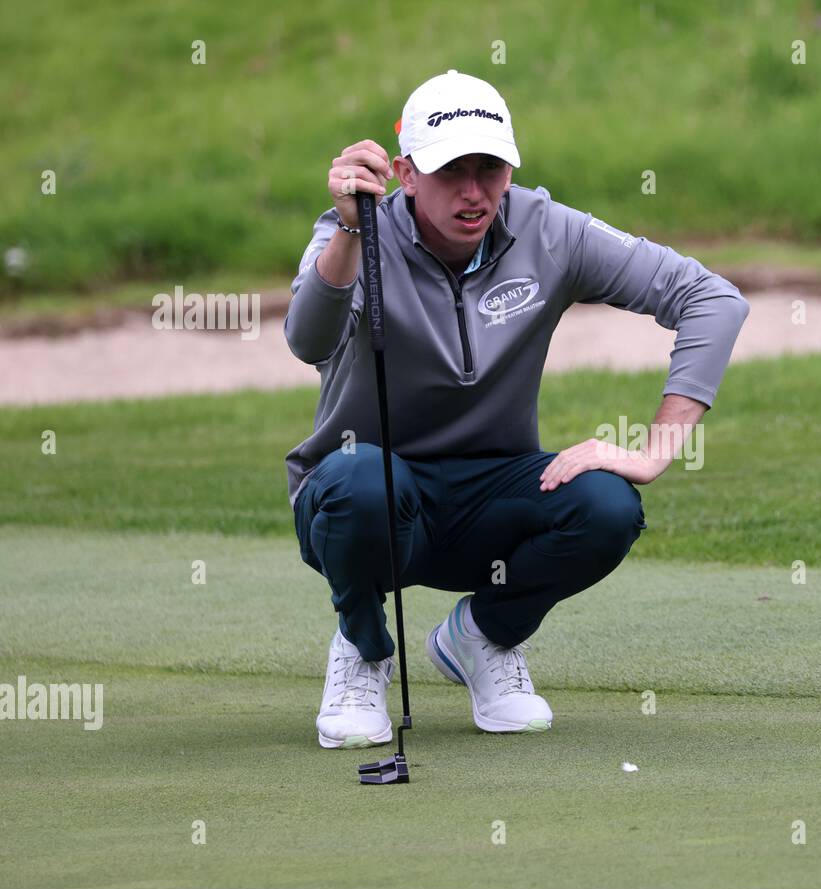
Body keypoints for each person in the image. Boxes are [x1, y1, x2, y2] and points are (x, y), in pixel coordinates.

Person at [284, 69, 749, 748]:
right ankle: (364, 649)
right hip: (364, 499)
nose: (475, 192)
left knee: (606, 505)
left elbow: (712, 297)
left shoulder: (547, 230)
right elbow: (307, 340)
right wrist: (353, 235)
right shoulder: (355, 232)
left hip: (489, 500)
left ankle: (483, 637)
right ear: (407, 173)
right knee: (359, 482)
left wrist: (655, 450)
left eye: (491, 167)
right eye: (452, 172)